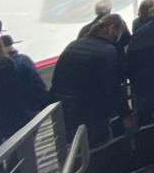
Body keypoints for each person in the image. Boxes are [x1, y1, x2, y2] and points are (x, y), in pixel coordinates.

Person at [50, 14, 131, 147]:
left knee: (73, 146)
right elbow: (112, 87)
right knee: (101, 146)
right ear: (112, 29)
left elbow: (57, 78)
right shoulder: (107, 51)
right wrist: (125, 113)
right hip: (92, 111)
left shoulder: (73, 45)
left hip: (65, 108)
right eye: (117, 35)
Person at [1, 34, 47, 114]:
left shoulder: (3, 65)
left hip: (19, 110)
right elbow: (37, 84)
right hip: (33, 107)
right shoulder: (23, 59)